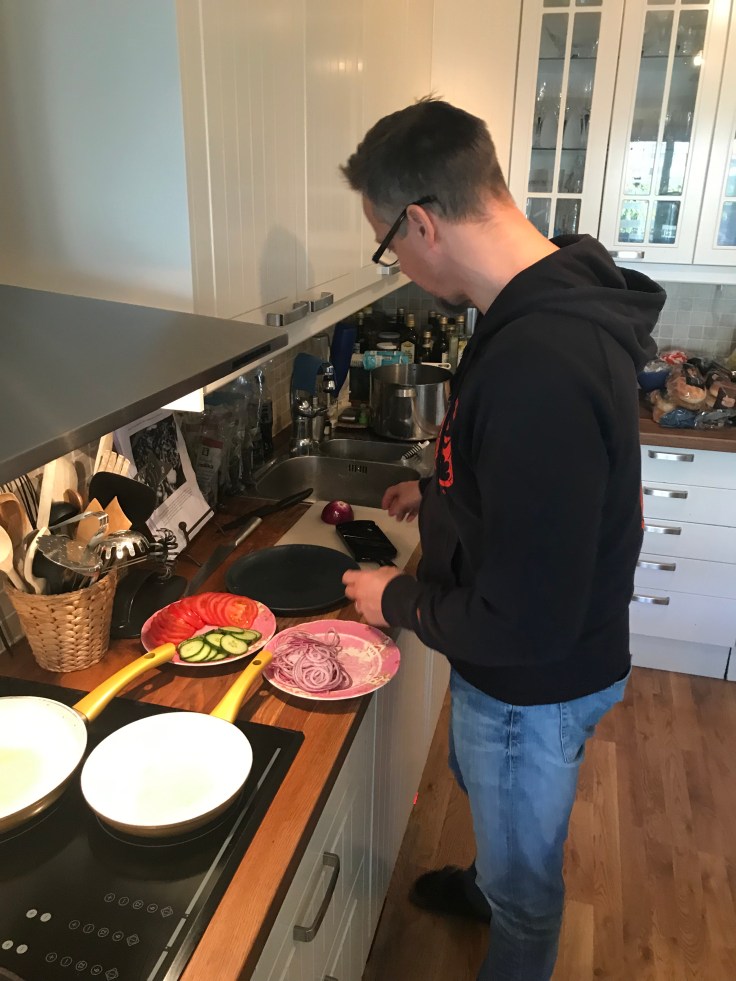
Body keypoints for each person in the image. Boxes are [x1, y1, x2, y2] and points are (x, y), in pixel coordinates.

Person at [340, 98, 664, 981]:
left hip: (533, 682)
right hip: (541, 667)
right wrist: (445, 491)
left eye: (387, 245)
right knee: (484, 787)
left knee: (530, 894)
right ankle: (489, 883)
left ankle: (505, 900)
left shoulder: (538, 363)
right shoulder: (546, 295)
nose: (398, 268)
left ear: (421, 222)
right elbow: (536, 482)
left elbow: (527, 620)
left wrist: (397, 598)